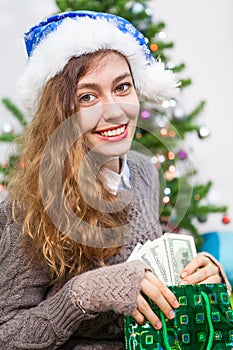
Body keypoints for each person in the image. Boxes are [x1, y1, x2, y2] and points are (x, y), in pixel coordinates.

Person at [0, 11, 231, 350]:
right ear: (61, 113)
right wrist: (82, 294)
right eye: (87, 97)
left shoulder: (141, 170)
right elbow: (7, 334)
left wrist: (202, 279)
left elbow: (149, 268)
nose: (113, 111)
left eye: (122, 87)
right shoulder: (30, 205)